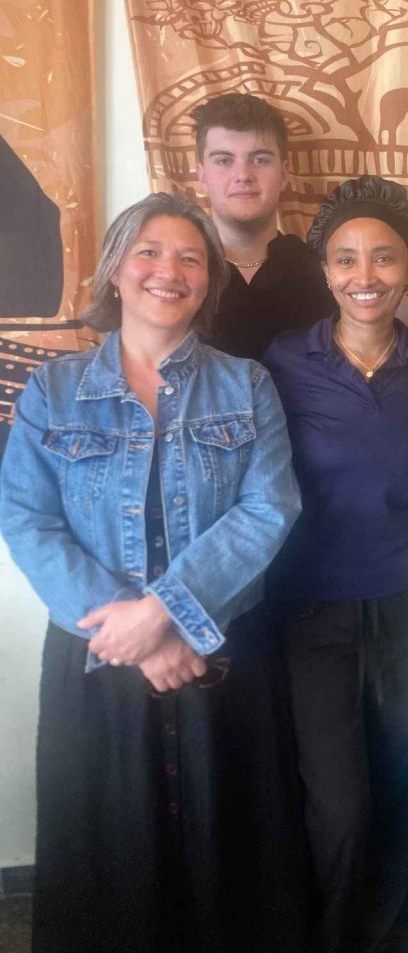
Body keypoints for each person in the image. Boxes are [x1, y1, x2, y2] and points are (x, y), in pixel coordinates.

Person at [0, 193, 306, 953]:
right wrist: (131, 632)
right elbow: (26, 517)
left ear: (208, 282)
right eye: (149, 252)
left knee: (226, 846)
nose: (168, 270)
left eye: (190, 258)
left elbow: (270, 507)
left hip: (220, 647)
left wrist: (166, 611)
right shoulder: (53, 390)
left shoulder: (247, 385)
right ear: (115, 270)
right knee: (106, 847)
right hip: (97, 650)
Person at [261, 175, 408, 953]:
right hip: (313, 610)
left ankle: (387, 938)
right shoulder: (283, 361)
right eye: (345, 259)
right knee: (337, 803)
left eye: (383, 258)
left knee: (402, 782)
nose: (364, 276)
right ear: (324, 270)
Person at [191, 92, 408, 357]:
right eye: (224, 160)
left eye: (260, 159)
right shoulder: (178, 271)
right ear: (201, 174)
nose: (243, 175)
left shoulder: (323, 269)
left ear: (284, 172)